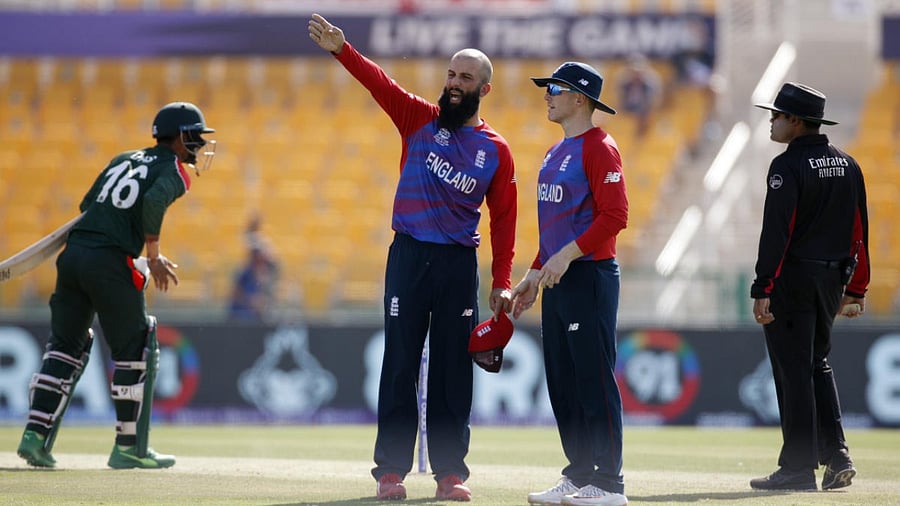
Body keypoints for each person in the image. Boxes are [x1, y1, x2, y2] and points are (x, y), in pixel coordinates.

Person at [307, 13, 517, 502]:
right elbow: (380, 84)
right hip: (408, 256)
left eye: (465, 77)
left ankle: (450, 473)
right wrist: (343, 49)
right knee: (400, 361)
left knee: (452, 367)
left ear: (484, 89)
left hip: (457, 265)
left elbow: (504, 219)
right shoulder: (419, 118)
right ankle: (390, 471)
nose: (454, 83)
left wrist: (502, 279)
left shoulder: (495, 150)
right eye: (450, 74)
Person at [16, 101, 216, 469]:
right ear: (177, 137)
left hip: (74, 256)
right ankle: (129, 448)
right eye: (195, 137)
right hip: (109, 261)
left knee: (64, 348)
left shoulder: (123, 158)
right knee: (136, 347)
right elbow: (154, 199)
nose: (200, 146)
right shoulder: (173, 169)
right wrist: (152, 255)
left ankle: (34, 437)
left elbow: (88, 205)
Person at [508, 62, 629, 506]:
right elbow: (555, 228)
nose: (547, 96)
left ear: (580, 98)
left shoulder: (600, 148)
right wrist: (535, 273)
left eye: (555, 89)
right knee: (563, 383)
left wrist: (564, 256)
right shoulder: (554, 151)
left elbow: (615, 217)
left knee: (593, 380)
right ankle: (579, 477)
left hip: (589, 276)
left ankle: (610, 484)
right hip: (559, 277)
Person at [749, 82, 869, 491]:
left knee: (792, 371)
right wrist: (857, 288)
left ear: (796, 122)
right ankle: (837, 457)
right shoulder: (849, 165)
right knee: (816, 364)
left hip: (793, 280)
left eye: (776, 115)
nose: (771, 122)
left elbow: (776, 234)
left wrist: (762, 285)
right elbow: (859, 232)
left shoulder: (786, 167)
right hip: (832, 280)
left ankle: (797, 468)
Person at [228, 216, 279, 323]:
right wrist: (250, 301)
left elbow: (266, 298)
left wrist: (260, 303)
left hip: (256, 317)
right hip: (241, 314)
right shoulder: (244, 272)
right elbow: (235, 293)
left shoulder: (263, 275)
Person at [617, 53, 661, 140]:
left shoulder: (650, 84)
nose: (636, 74)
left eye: (639, 72)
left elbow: (652, 104)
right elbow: (620, 102)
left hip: (643, 113)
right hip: (627, 112)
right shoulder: (624, 83)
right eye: (634, 71)